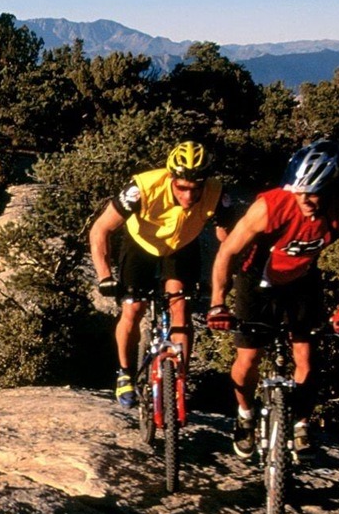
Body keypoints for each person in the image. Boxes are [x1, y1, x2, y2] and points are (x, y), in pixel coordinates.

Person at [206, 139, 339, 457]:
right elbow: (228, 251)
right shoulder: (270, 206)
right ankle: (245, 417)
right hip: (256, 281)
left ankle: (300, 425)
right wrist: (218, 302)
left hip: (301, 281)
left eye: (314, 192)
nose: (306, 200)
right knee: (248, 359)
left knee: (306, 360)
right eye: (300, 191)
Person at [90, 140, 233, 407]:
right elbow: (100, 229)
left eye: (196, 189)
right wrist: (104, 276)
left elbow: (228, 238)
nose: (189, 197)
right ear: (171, 178)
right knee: (133, 308)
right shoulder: (142, 188)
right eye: (182, 188)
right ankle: (125, 373)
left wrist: (234, 267)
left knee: (181, 309)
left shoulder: (217, 192)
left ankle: (180, 380)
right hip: (141, 245)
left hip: (181, 246)